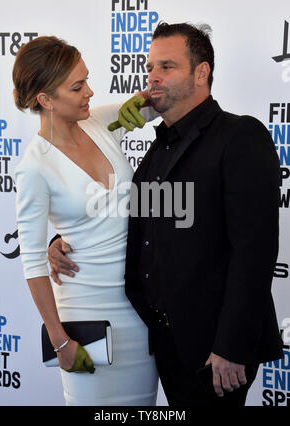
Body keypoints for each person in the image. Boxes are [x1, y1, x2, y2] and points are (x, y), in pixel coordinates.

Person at [48, 23, 284, 407]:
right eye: (149, 68)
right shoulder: (157, 151)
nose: (151, 79)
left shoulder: (239, 136)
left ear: (201, 72)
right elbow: (123, 221)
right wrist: (61, 241)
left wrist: (232, 347)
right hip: (162, 342)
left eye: (167, 67)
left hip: (215, 351)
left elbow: (254, 255)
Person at [13, 35, 159, 406]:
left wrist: (142, 100)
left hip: (139, 307)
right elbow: (31, 263)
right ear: (45, 100)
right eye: (78, 87)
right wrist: (59, 340)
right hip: (86, 313)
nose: (90, 92)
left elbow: (159, 101)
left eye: (88, 80)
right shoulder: (34, 167)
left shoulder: (98, 122)